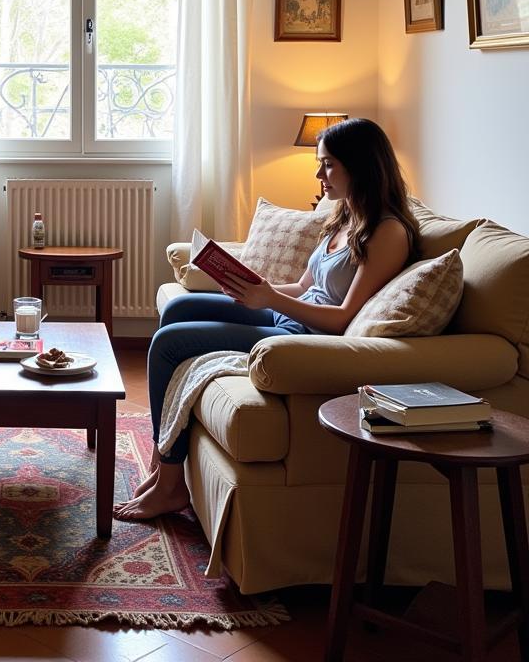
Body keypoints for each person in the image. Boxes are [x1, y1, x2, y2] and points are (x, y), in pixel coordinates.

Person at [114, 118, 418, 522]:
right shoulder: (345, 217)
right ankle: (163, 457)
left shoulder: (387, 233)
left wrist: (270, 298)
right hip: (286, 315)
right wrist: (252, 288)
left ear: (361, 166)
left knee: (169, 343)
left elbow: (343, 318)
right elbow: (305, 287)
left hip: (301, 337)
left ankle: (170, 486)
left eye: (327, 164)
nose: (318, 174)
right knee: (178, 309)